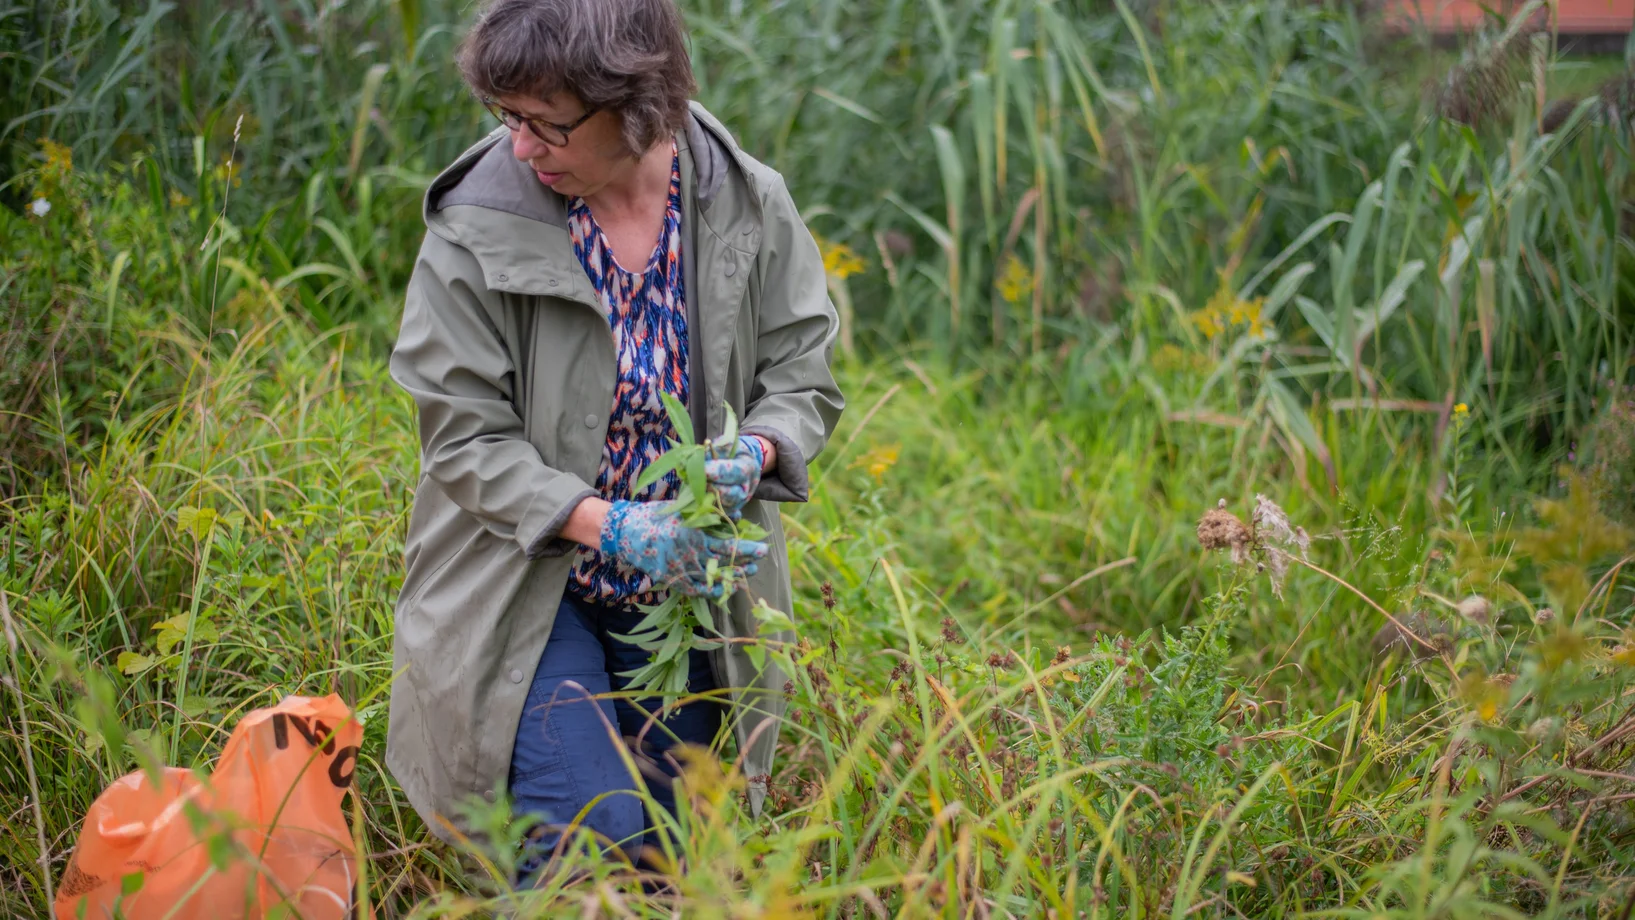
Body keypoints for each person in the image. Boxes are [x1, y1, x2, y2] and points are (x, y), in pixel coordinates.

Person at [383, 0, 845, 879]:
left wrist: (763, 448)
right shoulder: (478, 222)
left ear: (638, 107)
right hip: (526, 580)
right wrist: (615, 526)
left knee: (680, 858)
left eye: (547, 125)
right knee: (583, 845)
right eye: (507, 117)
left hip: (684, 595)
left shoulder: (743, 202)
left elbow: (800, 369)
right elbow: (463, 436)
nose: (522, 148)